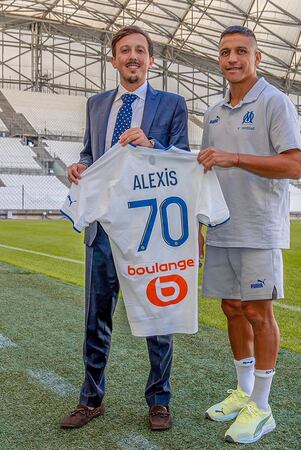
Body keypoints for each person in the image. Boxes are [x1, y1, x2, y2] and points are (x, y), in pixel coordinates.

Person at [61, 25, 189, 431]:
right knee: (95, 318)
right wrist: (79, 167)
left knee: (158, 317)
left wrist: (152, 147)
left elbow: (183, 159)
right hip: (103, 229)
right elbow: (89, 153)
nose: (133, 56)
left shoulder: (172, 104)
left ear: (151, 60)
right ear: (113, 59)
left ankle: (159, 400)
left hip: (149, 231)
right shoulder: (97, 104)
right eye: (124, 51)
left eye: (140, 51)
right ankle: (91, 399)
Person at [197, 26, 301, 445]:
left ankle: (262, 406)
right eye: (225, 52)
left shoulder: (274, 102)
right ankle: (243, 392)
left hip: (259, 227)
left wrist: (235, 157)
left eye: (241, 51)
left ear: (256, 57)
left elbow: (294, 165)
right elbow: (205, 171)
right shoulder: (213, 112)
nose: (232, 59)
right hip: (222, 226)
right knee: (231, 308)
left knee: (259, 313)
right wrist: (202, 226)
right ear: (219, 60)